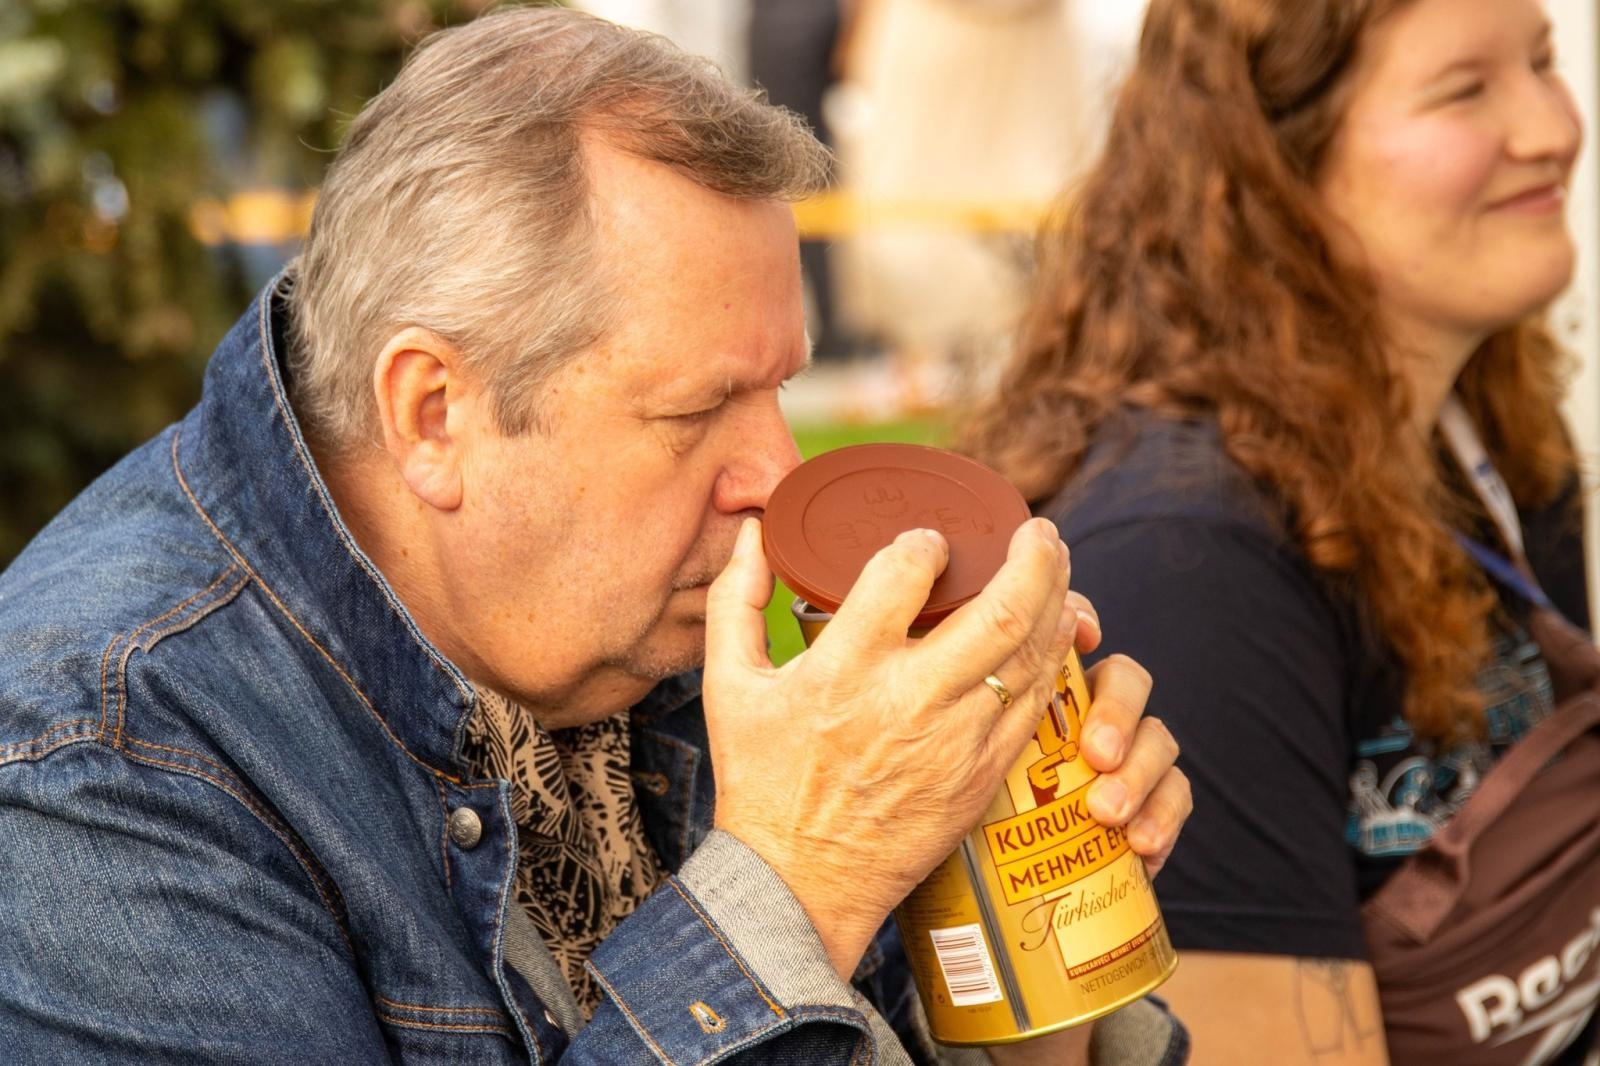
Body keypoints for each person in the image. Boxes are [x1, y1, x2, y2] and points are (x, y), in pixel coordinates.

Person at [0, 9, 1192, 1065]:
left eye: (784, 390)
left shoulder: (624, 622)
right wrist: (796, 883)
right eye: (694, 410)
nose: (777, 476)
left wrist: (1021, 922)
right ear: (435, 413)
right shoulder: (103, 762)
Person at [965, 0, 1594, 1062]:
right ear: (1272, 166)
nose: (1551, 127)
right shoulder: (1193, 558)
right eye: (1466, 89)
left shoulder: (1485, 434)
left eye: (1541, 60)